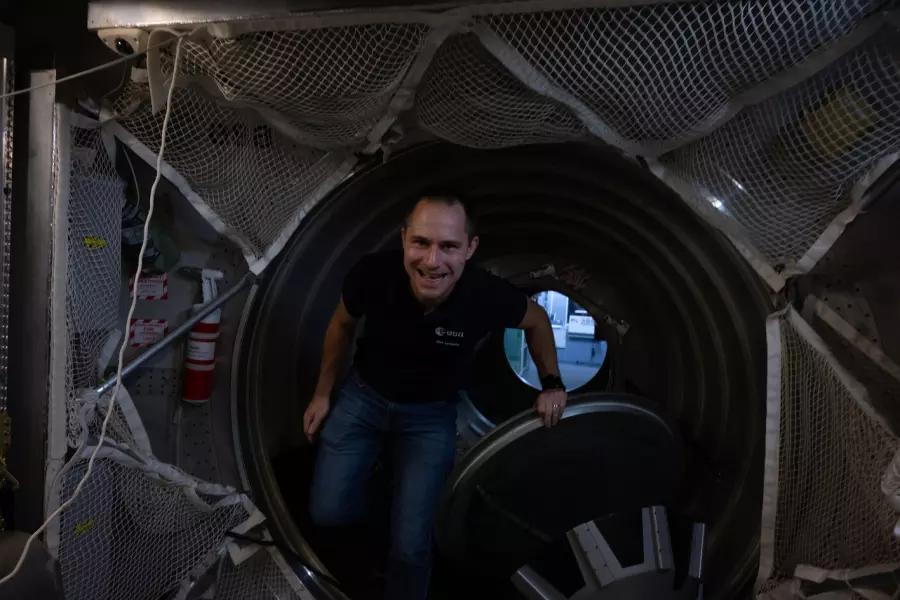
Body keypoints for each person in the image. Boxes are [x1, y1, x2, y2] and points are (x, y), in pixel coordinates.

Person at [303, 195, 567, 600]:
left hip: (430, 416)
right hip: (365, 397)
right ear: (403, 239)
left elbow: (538, 320)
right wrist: (322, 394)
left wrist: (551, 383)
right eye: (421, 243)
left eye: (449, 246)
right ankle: (382, 515)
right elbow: (341, 325)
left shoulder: (484, 294)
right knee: (328, 512)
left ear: (470, 249)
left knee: (411, 546)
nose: (432, 261)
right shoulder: (373, 274)